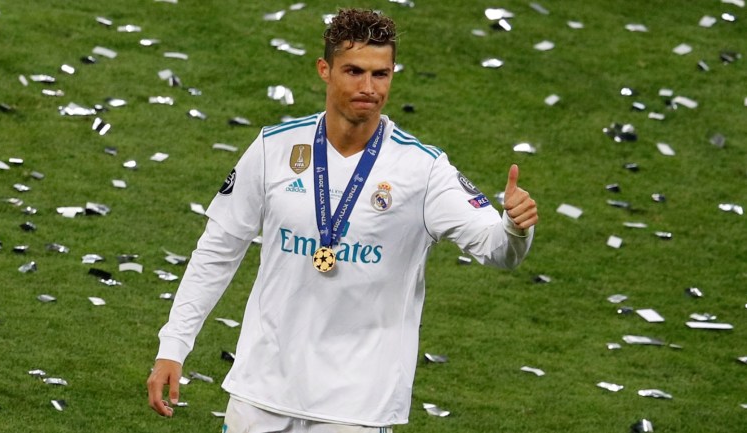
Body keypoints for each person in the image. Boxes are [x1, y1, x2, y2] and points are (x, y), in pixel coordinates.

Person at [147, 8, 538, 432]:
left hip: (357, 409)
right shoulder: (275, 148)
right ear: (325, 70)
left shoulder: (422, 170)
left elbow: (497, 251)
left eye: (381, 74)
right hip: (261, 393)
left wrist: (516, 228)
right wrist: (174, 345)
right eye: (354, 71)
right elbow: (218, 250)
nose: (369, 88)